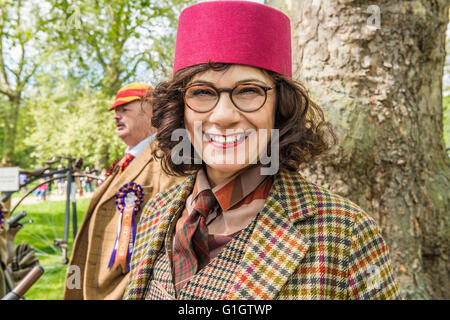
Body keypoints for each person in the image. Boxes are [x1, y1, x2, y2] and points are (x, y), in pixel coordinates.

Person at [124, 1, 401, 300]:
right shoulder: (156, 212)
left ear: (280, 106)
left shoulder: (346, 233)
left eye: (249, 91)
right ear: (181, 109)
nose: (223, 116)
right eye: (203, 92)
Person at [64, 83, 182, 300]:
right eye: (115, 111)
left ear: (152, 110)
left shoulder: (166, 160)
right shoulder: (125, 161)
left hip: (127, 290)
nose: (116, 116)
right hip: (99, 285)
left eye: (124, 109)